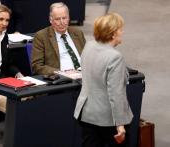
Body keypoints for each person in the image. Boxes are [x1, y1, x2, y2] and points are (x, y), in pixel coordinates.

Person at [74, 13, 133, 147]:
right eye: (120, 29)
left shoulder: (88, 46)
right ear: (112, 34)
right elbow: (116, 93)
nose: (122, 32)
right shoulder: (115, 57)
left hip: (87, 114)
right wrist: (120, 125)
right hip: (108, 120)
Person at [31, 2, 86, 75]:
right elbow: (37, 66)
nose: (62, 22)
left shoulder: (78, 33)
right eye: (57, 19)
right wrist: (61, 73)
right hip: (62, 79)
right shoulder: (41, 36)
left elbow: (88, 57)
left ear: (69, 18)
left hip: (84, 76)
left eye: (64, 18)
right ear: (51, 20)